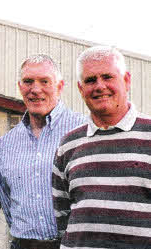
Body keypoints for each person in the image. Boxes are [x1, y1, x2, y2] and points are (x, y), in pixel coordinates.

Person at [52, 46, 151, 248]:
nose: (99, 86)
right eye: (90, 80)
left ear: (126, 80)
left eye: (107, 77)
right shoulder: (68, 145)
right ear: (80, 88)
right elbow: (62, 216)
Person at [0, 55, 85, 249]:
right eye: (28, 82)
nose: (35, 89)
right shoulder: (5, 144)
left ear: (60, 86)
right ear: (20, 87)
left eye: (44, 81)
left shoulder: (84, 130)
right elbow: (7, 204)